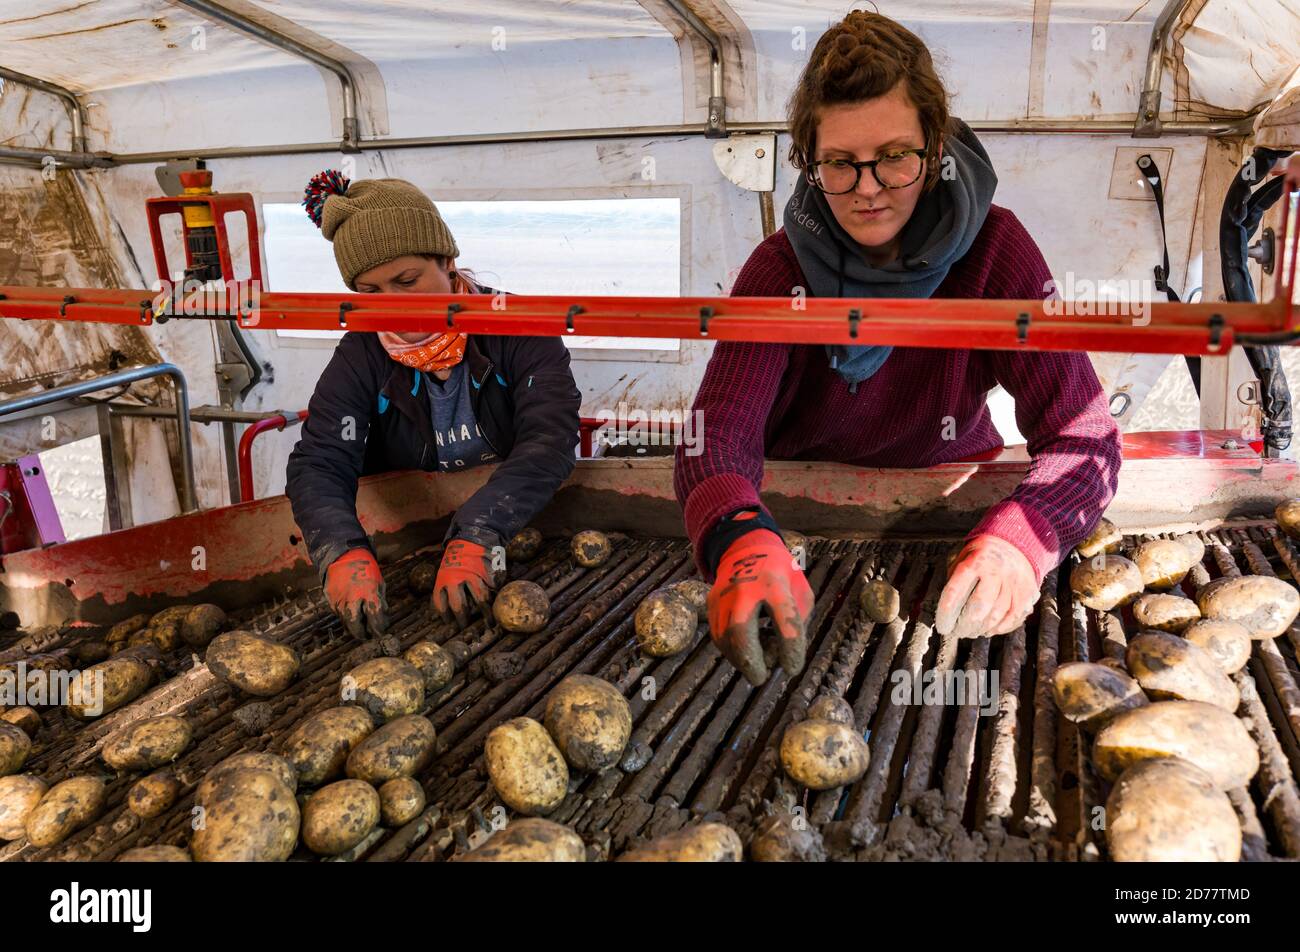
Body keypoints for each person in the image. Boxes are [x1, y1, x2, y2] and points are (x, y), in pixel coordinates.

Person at [673, 12, 1122, 685]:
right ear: (808, 159)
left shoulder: (996, 253)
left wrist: (1023, 540)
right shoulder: (779, 270)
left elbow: (1084, 435)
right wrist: (737, 531)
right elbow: (717, 430)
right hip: (799, 528)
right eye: (839, 165)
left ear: (936, 144)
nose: (869, 189)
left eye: (894, 157)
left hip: (952, 516)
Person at [286, 172, 581, 637]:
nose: (394, 305)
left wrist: (478, 534)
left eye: (407, 280)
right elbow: (321, 460)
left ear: (446, 260)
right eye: (370, 293)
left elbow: (551, 438)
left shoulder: (518, 328)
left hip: (513, 527)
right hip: (414, 542)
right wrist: (341, 550)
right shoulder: (362, 354)